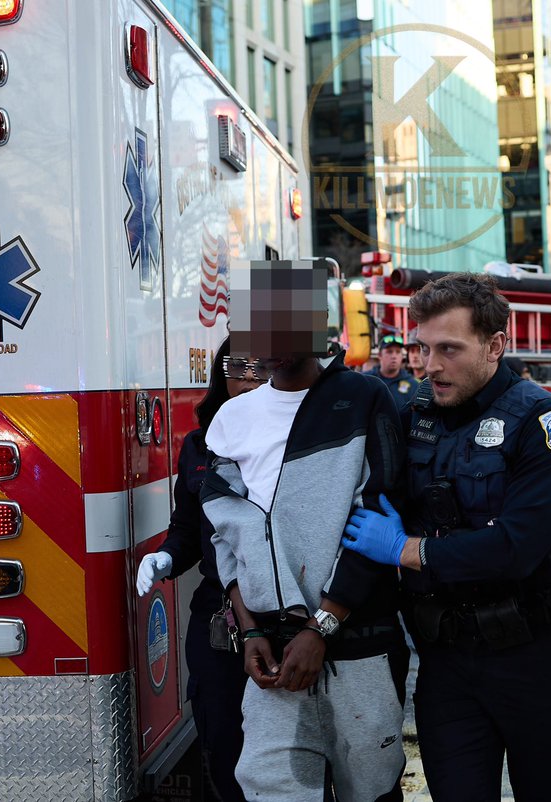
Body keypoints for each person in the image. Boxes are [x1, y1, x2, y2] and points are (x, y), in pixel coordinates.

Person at [339, 273, 551, 801]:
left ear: (495, 346)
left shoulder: (544, 423)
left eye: (448, 349)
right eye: (424, 348)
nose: (430, 365)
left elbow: (517, 547)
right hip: (446, 663)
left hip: (532, 659)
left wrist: (406, 550)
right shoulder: (415, 416)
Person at [199, 260, 408, 801]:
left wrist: (323, 626)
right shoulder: (231, 420)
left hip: (360, 647)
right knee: (272, 789)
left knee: (371, 792)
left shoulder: (364, 398)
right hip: (273, 655)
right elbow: (226, 539)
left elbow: (379, 517)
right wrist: (249, 631)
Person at [136, 340, 260, 802]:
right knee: (224, 746)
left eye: (263, 369)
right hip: (218, 618)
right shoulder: (198, 444)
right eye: (238, 367)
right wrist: (166, 557)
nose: (249, 380)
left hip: (281, 614)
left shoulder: (298, 441)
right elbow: (188, 528)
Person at [369, 333, 417, 405]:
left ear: (402, 356)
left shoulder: (413, 384)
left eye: (398, 352)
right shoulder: (368, 380)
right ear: (379, 355)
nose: (394, 356)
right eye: (389, 352)